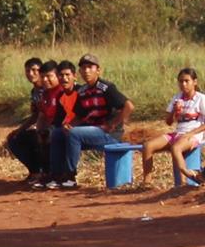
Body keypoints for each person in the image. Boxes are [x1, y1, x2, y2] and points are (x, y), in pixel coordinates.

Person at [62, 54, 134, 188]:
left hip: (108, 134)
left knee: (75, 134)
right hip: (91, 131)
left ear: (98, 70)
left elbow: (129, 106)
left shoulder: (106, 87)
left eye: (90, 67)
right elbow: (79, 116)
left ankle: (70, 176)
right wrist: (69, 125)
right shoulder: (82, 91)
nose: (86, 71)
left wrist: (114, 124)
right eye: (83, 68)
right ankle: (55, 174)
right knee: (59, 134)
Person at [159, 68, 205, 184]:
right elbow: (168, 122)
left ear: (195, 82)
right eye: (180, 81)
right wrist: (174, 111)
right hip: (178, 133)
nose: (183, 84)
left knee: (176, 148)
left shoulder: (201, 98)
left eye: (186, 81)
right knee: (148, 146)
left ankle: (187, 176)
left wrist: (191, 133)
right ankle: (147, 184)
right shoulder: (177, 98)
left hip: (193, 134)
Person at [6, 57, 44, 184]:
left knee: (38, 137)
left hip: (50, 126)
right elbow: (35, 115)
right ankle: (34, 172)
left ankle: (46, 172)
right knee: (14, 139)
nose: (31, 74)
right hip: (40, 124)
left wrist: (38, 126)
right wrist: (19, 130)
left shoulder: (48, 89)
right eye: (28, 71)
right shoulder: (34, 91)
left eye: (34, 70)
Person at [46, 60, 80, 189]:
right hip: (69, 127)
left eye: (67, 75)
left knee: (70, 133)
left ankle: (70, 177)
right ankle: (56, 176)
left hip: (82, 126)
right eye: (61, 75)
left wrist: (72, 125)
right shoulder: (61, 96)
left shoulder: (81, 92)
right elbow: (58, 119)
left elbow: (84, 114)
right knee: (55, 133)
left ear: (74, 76)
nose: (64, 79)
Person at [30, 60, 63, 188]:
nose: (45, 80)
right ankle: (43, 174)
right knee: (36, 138)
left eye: (49, 76)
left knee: (52, 136)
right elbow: (42, 115)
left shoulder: (62, 92)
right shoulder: (44, 94)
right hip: (49, 127)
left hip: (61, 127)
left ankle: (58, 175)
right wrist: (39, 130)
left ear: (57, 76)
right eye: (43, 76)